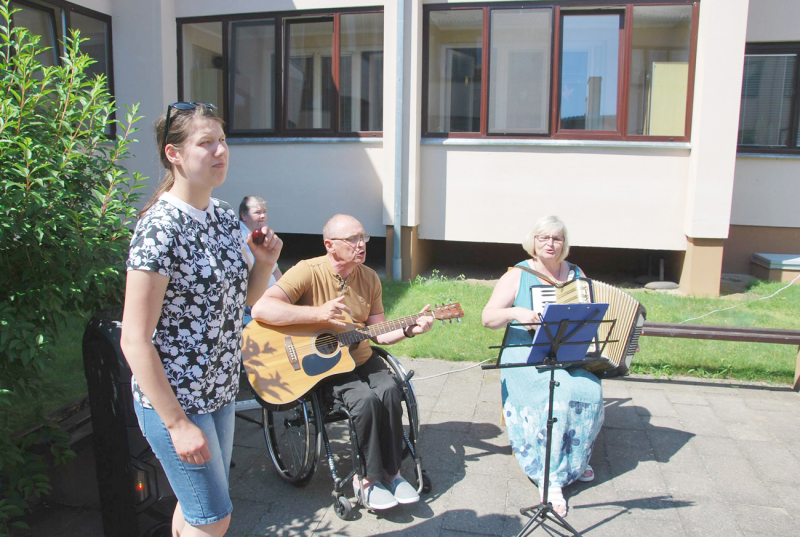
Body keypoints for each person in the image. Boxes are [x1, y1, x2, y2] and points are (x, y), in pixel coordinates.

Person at [120, 102, 282, 537]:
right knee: (214, 516)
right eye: (206, 143)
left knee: (198, 508)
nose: (220, 151)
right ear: (174, 154)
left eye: (222, 141)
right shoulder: (160, 229)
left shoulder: (224, 215)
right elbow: (134, 339)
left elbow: (240, 303)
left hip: (220, 389)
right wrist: (176, 424)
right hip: (175, 400)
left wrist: (263, 265)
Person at [250, 214, 433, 510]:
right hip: (321, 366)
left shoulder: (369, 277)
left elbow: (380, 333)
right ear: (329, 245)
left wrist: (410, 329)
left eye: (364, 238)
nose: (362, 245)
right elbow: (262, 308)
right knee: (364, 401)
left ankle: (393, 473)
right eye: (353, 239)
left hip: (360, 356)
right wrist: (317, 316)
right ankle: (368, 481)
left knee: (390, 390)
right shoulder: (307, 272)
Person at [481, 215, 602, 517]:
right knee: (557, 394)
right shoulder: (519, 274)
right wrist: (517, 312)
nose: (550, 244)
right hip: (524, 352)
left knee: (590, 389)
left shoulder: (575, 273)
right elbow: (488, 317)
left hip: (567, 351)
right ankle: (549, 478)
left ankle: (573, 459)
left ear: (564, 243)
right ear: (533, 241)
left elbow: (589, 314)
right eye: (543, 238)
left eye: (557, 238)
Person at [238, 195, 282, 326]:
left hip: (272, 298)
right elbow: (252, 273)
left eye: (264, 212)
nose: (263, 216)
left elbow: (275, 270)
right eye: (257, 212)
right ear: (244, 216)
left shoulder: (260, 236)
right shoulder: (240, 237)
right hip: (255, 304)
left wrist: (286, 291)